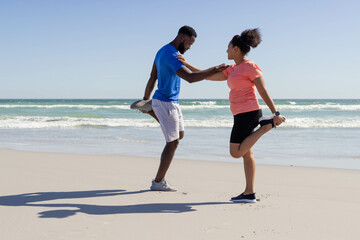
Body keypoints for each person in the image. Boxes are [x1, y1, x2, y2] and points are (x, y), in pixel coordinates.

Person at [177, 28, 285, 202]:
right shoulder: (232, 69)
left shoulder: (250, 66)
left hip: (248, 113)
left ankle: (267, 126)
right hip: (240, 114)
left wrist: (276, 113)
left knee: (235, 152)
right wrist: (186, 64)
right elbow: (207, 75)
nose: (226, 51)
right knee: (247, 153)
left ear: (236, 49)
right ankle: (249, 193)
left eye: (228, 47)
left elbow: (262, 90)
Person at [141, 26, 228, 191]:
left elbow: (153, 77)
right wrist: (215, 69)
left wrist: (146, 99)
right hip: (166, 102)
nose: (189, 47)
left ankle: (150, 108)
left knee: (179, 135)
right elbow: (190, 78)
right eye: (190, 43)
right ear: (182, 37)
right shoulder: (172, 55)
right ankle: (158, 182)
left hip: (170, 102)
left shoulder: (161, 51)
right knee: (172, 142)